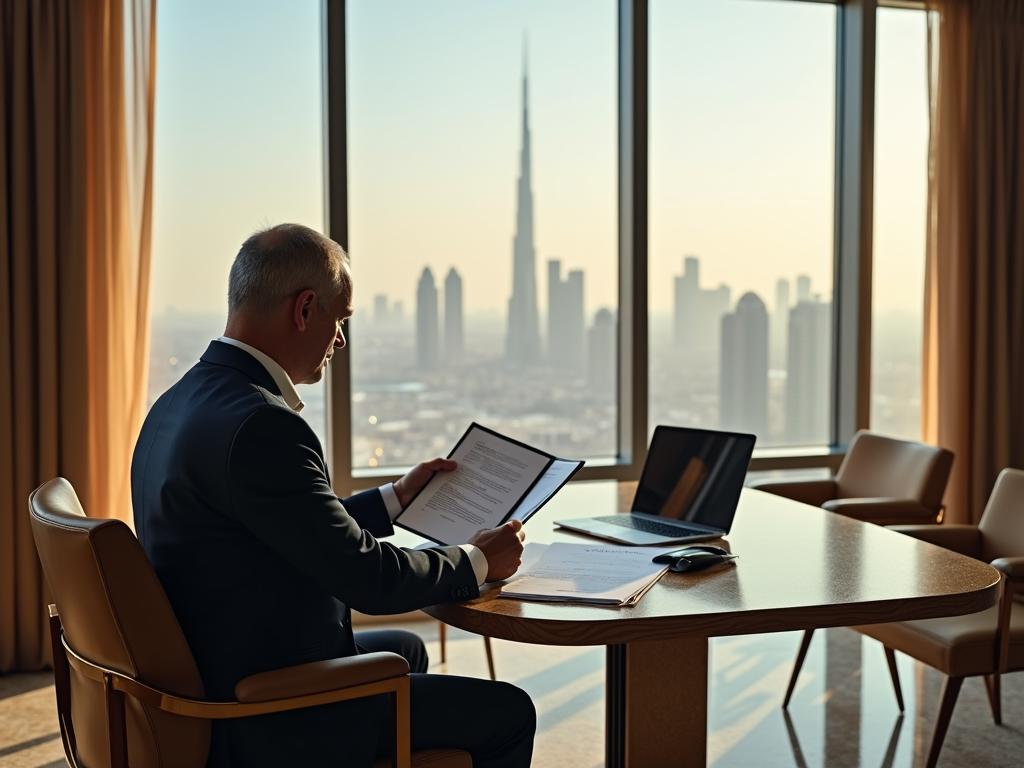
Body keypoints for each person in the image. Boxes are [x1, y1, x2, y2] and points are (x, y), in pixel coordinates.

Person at [132, 223, 536, 767]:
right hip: (268, 709)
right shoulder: (263, 426)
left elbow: (282, 526)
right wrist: (479, 560)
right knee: (510, 712)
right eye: (339, 320)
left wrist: (395, 496)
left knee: (405, 650)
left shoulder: (177, 403)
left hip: (219, 663)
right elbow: (371, 580)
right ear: (304, 310)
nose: (340, 340)